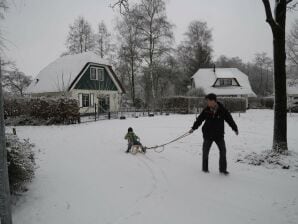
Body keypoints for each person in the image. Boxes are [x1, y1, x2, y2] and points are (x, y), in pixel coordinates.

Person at [189, 93, 238, 175]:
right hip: (208, 134)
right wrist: (193, 128)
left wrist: (235, 128)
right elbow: (199, 120)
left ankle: (223, 170)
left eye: (208, 101)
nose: (207, 103)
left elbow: (230, 120)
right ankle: (205, 169)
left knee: (223, 152)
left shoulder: (222, 110)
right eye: (207, 101)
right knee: (205, 152)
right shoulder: (206, 110)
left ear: (213, 101)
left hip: (219, 135)